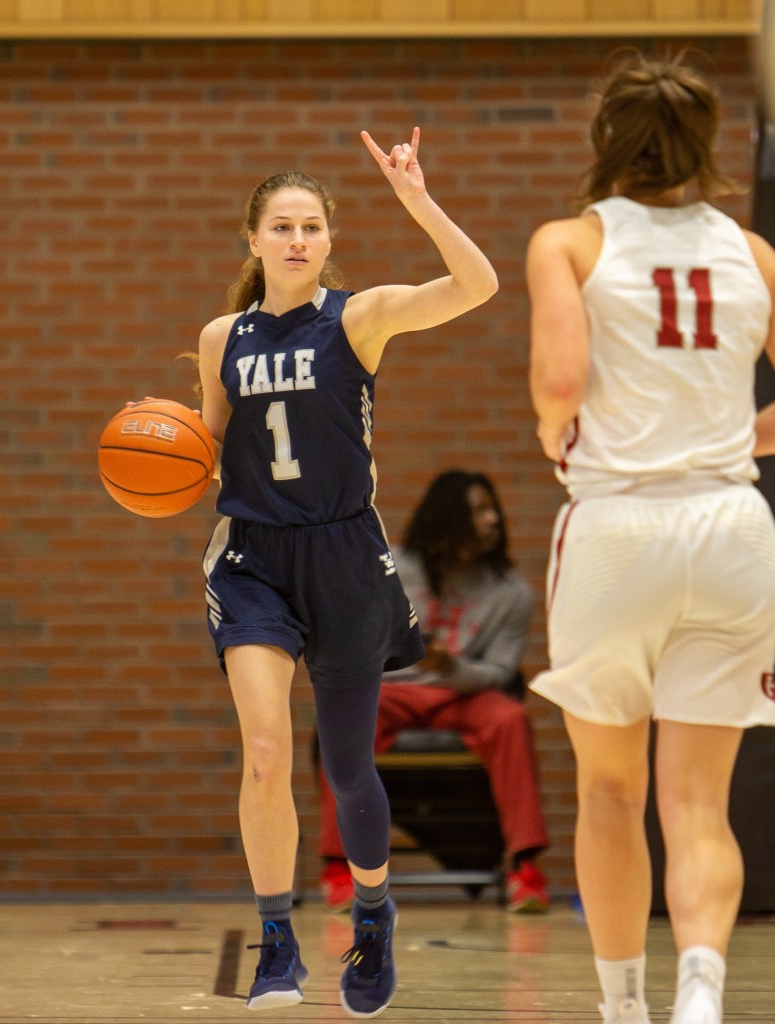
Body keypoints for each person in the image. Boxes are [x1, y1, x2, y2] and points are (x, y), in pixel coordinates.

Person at [195, 128, 497, 1016]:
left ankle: (371, 913)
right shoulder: (221, 337)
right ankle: (277, 943)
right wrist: (158, 448)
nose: (296, 241)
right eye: (280, 227)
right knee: (262, 749)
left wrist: (417, 202)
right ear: (252, 240)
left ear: (329, 241)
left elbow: (476, 286)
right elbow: (207, 452)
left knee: (348, 766)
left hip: (344, 555)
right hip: (252, 556)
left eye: (311, 227)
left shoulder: (358, 318)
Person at [526, 51, 775, 1024]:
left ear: (605, 142)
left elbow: (557, 385)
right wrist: (756, 430)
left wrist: (556, 436)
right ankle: (703, 988)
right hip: (730, 528)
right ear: (705, 145)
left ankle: (625, 1007)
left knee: (611, 791)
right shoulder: (754, 253)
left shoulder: (572, 242)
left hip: (618, 528)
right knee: (699, 802)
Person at [316, 469, 550, 914]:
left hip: (460, 694)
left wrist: (451, 666)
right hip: (392, 690)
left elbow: (501, 672)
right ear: (448, 517)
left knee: (510, 719)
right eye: (479, 510)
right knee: (344, 717)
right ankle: (338, 869)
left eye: (492, 509)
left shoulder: (511, 592)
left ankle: (525, 870)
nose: (493, 520)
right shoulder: (390, 567)